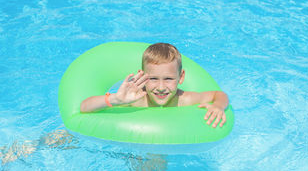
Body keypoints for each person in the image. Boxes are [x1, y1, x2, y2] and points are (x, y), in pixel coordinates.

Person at [80, 43, 229, 128]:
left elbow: (219, 95)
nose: (161, 87)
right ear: (142, 76)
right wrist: (115, 100)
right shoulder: (136, 99)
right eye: (153, 78)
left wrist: (218, 106)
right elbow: (85, 107)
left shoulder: (184, 99)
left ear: (181, 77)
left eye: (169, 79)